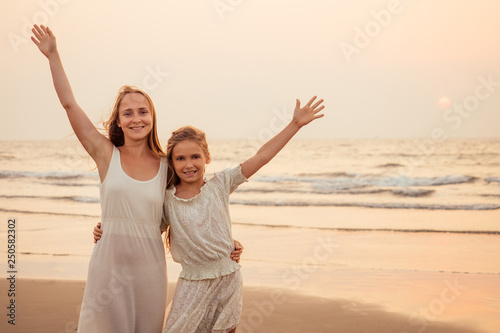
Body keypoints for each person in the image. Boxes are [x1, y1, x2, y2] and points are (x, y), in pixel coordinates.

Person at [31, 24, 242, 333]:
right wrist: (53, 55)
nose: (136, 118)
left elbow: (196, 205)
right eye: (128, 113)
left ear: (152, 117)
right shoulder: (105, 154)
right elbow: (69, 105)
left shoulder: (166, 166)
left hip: (148, 271)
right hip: (107, 267)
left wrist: (226, 243)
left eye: (143, 111)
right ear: (118, 120)